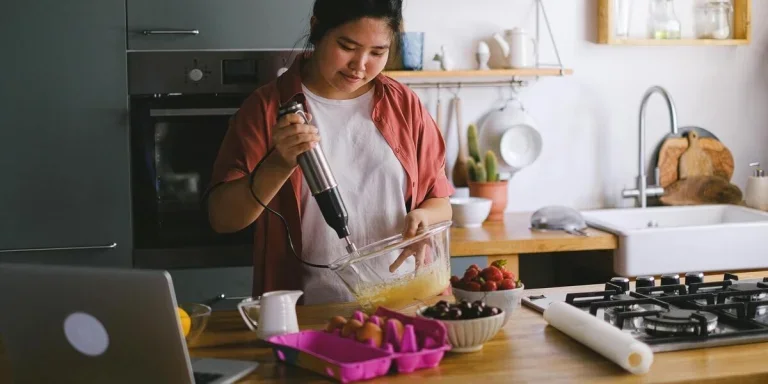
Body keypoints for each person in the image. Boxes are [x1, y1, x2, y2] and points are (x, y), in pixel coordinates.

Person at [205, 0, 453, 305]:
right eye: (347, 46)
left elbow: (440, 201)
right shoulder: (266, 108)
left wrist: (425, 217)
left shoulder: (404, 105)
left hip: (412, 302)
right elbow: (223, 218)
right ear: (316, 28)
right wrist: (280, 163)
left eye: (377, 52)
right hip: (314, 313)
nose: (360, 65)